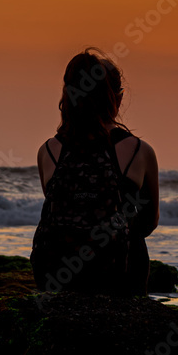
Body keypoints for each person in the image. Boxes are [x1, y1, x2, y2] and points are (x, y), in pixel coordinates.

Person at [31, 48, 160, 296]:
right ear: (117, 99)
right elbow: (149, 222)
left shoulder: (48, 151)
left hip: (57, 277)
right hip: (118, 278)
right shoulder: (139, 151)